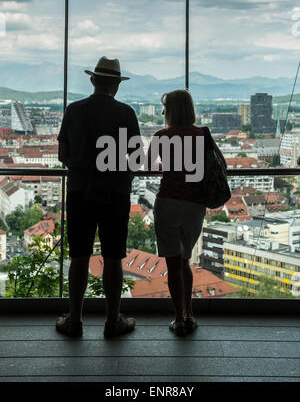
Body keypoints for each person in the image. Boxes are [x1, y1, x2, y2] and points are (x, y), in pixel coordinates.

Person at [56, 56, 143, 338]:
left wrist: (83, 170)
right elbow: (136, 158)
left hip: (80, 191)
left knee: (80, 256)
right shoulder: (126, 114)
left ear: (93, 80)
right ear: (116, 85)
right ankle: (112, 320)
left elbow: (63, 154)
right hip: (115, 193)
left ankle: (75, 319)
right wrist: (119, 177)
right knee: (114, 258)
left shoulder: (73, 110)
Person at [145, 89, 225, 336]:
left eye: (164, 108)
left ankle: (178, 318)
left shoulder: (161, 136)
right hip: (194, 205)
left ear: (170, 111)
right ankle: (190, 313)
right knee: (185, 261)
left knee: (172, 264)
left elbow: (148, 165)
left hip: (168, 202)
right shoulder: (203, 135)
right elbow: (221, 164)